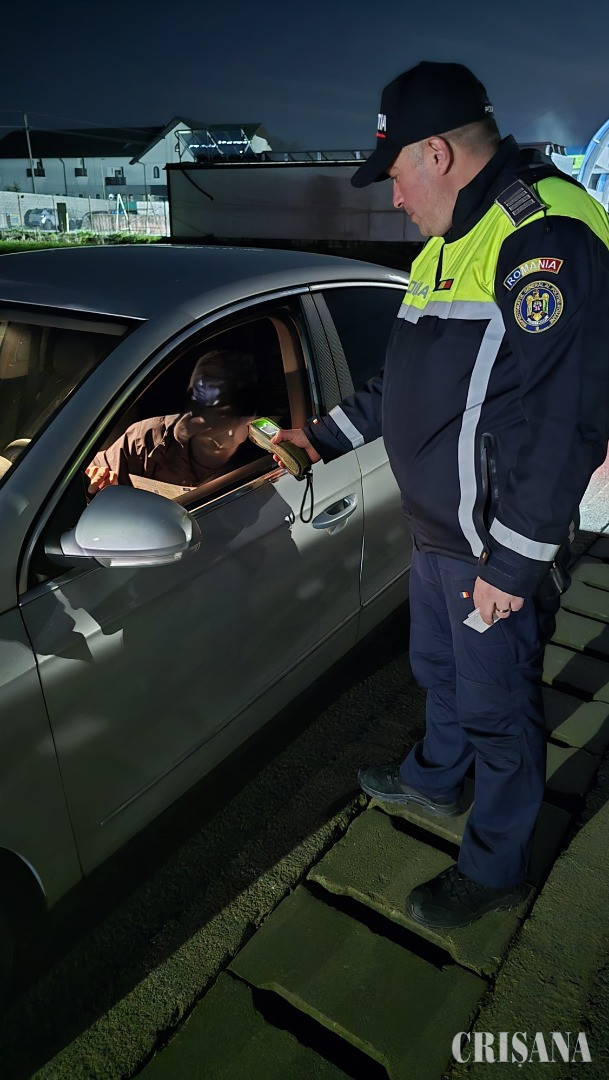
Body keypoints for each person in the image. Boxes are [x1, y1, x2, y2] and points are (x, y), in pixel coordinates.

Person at [273, 61, 609, 929]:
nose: (391, 198)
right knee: (437, 672)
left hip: (491, 541)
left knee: (498, 710)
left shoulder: (544, 233)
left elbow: (567, 418)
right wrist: (322, 436)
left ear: (435, 153)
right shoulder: (446, 244)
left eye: (393, 175)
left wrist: (515, 563)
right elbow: (404, 385)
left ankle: (496, 867)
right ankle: (433, 778)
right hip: (438, 532)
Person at [86, 349, 258, 494]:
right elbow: (92, 472)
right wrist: (99, 480)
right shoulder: (149, 438)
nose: (198, 403)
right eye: (199, 389)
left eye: (213, 390)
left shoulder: (261, 459)